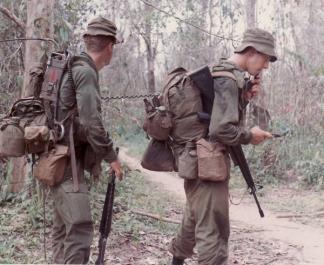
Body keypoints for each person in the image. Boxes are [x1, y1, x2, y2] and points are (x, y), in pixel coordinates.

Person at [169, 28, 277, 265]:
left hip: (196, 157)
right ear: (251, 51)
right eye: (266, 58)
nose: (266, 66)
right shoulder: (228, 78)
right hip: (206, 162)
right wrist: (250, 136)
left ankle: (176, 260)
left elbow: (214, 119)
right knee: (214, 230)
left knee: (195, 214)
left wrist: (245, 98)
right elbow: (221, 130)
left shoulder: (222, 71)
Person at [51, 16, 123, 264]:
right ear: (110, 47)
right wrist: (111, 156)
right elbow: (92, 123)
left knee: (64, 229)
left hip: (57, 157)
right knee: (80, 229)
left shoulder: (72, 66)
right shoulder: (85, 72)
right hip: (67, 163)